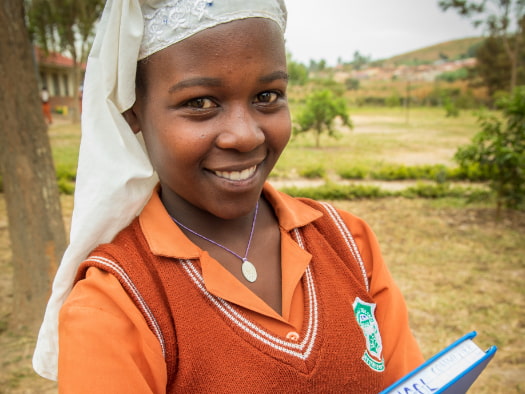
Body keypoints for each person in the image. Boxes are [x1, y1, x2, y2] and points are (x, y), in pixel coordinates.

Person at [33, 0, 424, 392]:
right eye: (200, 103)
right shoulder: (116, 302)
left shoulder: (348, 243)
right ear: (134, 111)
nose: (246, 135)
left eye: (267, 96)